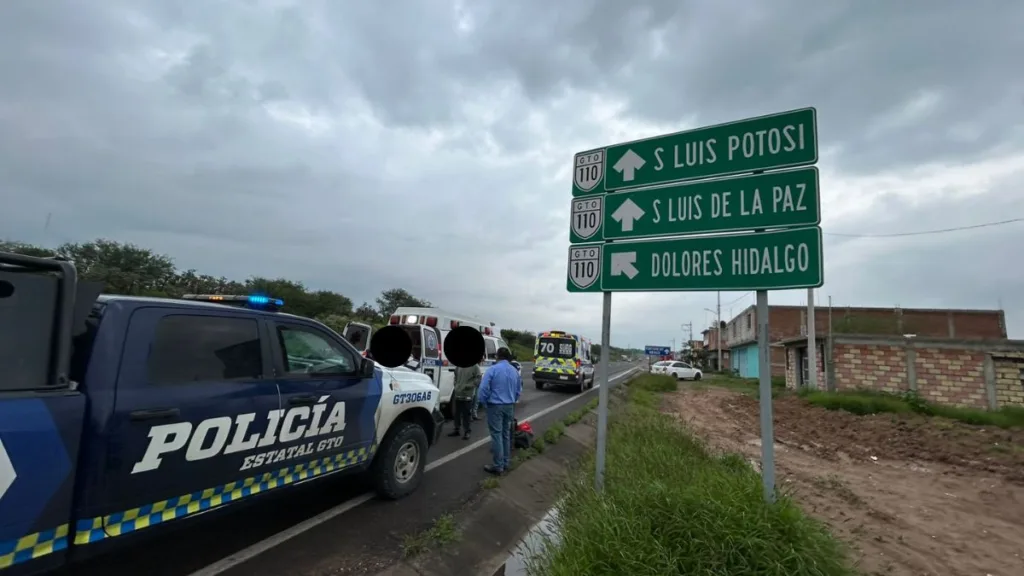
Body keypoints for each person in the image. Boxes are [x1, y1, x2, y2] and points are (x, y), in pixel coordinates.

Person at [476, 347, 522, 475]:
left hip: (495, 405)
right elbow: (519, 390)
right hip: (510, 405)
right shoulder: (514, 371)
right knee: (506, 434)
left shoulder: (493, 369)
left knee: (496, 435)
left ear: (497, 357)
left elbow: (482, 389)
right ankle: (506, 462)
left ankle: (498, 466)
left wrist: (484, 402)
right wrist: (513, 399)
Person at [448, 355, 482, 440]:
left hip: (467, 395)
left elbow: (478, 378)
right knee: (457, 413)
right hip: (458, 393)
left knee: (466, 414)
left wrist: (469, 386)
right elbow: (455, 375)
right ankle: (457, 429)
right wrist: (456, 385)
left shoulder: (475, 366)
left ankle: (467, 431)